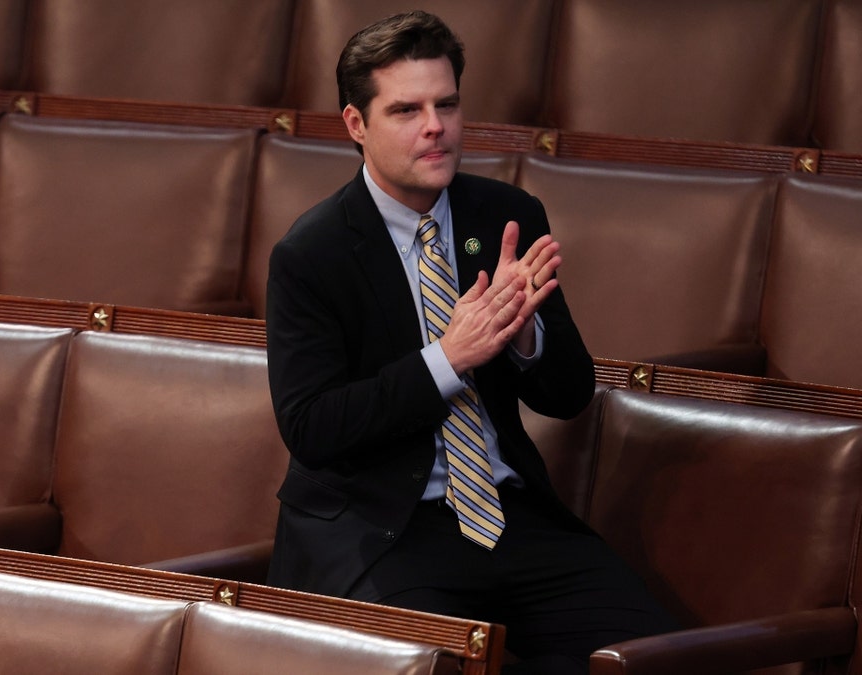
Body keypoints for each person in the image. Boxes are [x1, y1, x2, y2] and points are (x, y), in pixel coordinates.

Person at [264, 11, 677, 673]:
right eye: (407, 110)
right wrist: (448, 359)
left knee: (655, 655)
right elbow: (313, 426)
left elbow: (569, 394)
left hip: (511, 516)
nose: (436, 126)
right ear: (355, 124)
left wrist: (522, 333)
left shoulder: (506, 214)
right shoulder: (311, 254)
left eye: (447, 104)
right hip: (384, 531)